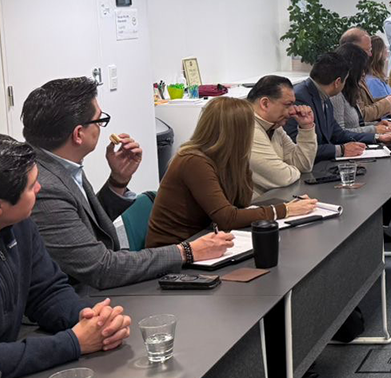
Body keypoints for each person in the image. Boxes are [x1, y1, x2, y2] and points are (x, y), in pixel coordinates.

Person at [21, 77, 233, 288]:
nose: (101, 127)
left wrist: (118, 181)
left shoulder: (60, 163)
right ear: (78, 134)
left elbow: (85, 224)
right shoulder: (44, 187)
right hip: (81, 294)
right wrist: (186, 251)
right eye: (99, 120)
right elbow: (101, 268)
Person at [0, 133, 131, 378]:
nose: (40, 188)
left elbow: (46, 292)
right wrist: (73, 343)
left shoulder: (19, 223)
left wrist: (92, 320)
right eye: (31, 186)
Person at [147, 97, 317, 247]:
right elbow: (227, 217)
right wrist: (284, 210)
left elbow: (241, 203)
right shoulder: (193, 160)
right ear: (238, 132)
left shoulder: (226, 158)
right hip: (176, 252)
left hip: (204, 240)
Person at [290, 53, 391, 163]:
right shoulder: (298, 98)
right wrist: (341, 149)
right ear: (338, 82)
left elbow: (338, 134)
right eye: (346, 80)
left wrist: (377, 137)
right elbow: (297, 148)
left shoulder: (323, 94)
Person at [246, 75, 317, 195]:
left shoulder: (274, 125)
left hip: (272, 199)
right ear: (265, 104)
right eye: (287, 105)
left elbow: (303, 165)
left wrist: (306, 127)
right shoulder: (248, 127)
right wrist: (287, 169)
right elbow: (283, 177)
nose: (292, 111)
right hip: (254, 205)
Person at [340, 27, 391, 122]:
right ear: (352, 50)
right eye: (367, 50)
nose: (370, 54)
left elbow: (367, 106)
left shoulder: (359, 75)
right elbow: (361, 116)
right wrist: (388, 102)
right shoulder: (347, 78)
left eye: (371, 50)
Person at [366, 34, 391, 99]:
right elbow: (385, 103)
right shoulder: (373, 81)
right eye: (384, 47)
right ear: (379, 52)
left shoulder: (377, 77)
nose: (387, 50)